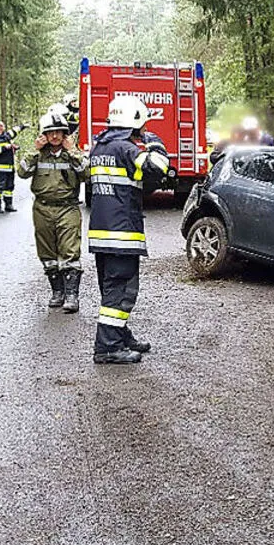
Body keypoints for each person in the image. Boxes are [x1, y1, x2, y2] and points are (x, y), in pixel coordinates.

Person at [87, 94, 170, 365]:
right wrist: (155, 143)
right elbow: (158, 167)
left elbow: (135, 179)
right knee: (121, 290)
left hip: (102, 233)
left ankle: (120, 336)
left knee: (111, 288)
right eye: (143, 123)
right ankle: (108, 347)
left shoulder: (100, 147)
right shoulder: (126, 148)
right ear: (134, 122)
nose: (145, 127)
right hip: (122, 234)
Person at [18, 109, 89, 312]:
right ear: (44, 135)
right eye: (51, 132)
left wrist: (73, 151)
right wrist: (35, 150)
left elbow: (87, 173)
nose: (55, 136)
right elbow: (22, 172)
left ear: (65, 134)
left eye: (59, 132)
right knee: (47, 253)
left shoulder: (73, 154)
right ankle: (57, 291)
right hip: (42, 208)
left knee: (69, 250)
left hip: (68, 208)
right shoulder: (38, 155)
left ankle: (72, 295)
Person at [0, 121, 28, 213]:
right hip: (0, 168)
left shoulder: (6, 136)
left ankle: (8, 205)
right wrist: (5, 147)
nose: (4, 127)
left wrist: (23, 126)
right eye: (2, 126)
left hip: (10, 167)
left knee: (9, 187)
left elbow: (14, 131)